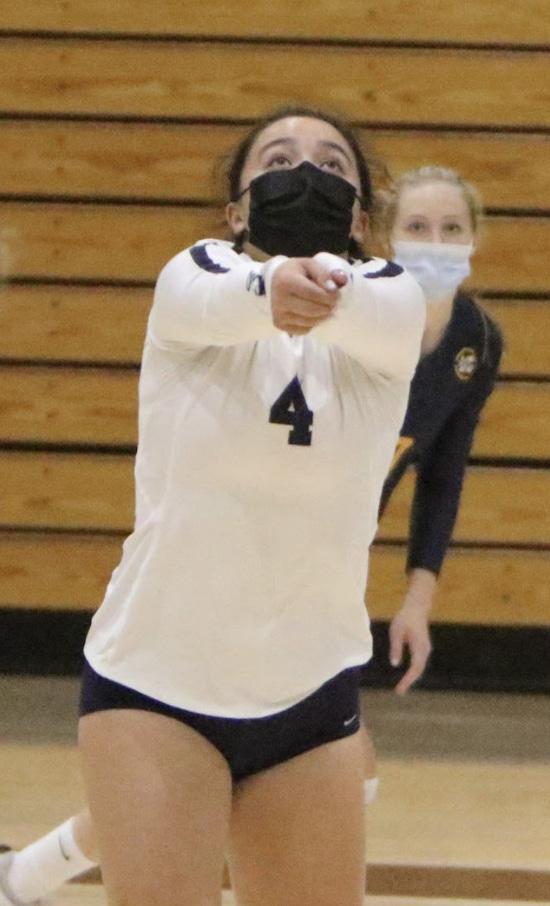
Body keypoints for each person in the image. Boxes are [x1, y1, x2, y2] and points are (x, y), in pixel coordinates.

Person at [0, 150, 500, 904]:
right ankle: (28, 875)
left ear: (362, 219)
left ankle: (25, 875)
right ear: (235, 209)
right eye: (281, 161)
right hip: (158, 682)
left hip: (309, 689)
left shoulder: (403, 307)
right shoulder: (194, 278)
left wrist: (419, 593)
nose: (305, 172)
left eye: (329, 162)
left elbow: (433, 443)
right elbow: (211, 295)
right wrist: (271, 284)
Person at [377, 165, 503, 694]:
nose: (435, 243)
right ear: (387, 238)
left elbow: (442, 476)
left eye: (452, 229)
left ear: (473, 239)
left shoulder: (477, 339)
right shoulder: (351, 315)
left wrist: (417, 602)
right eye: (417, 227)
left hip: (338, 555)